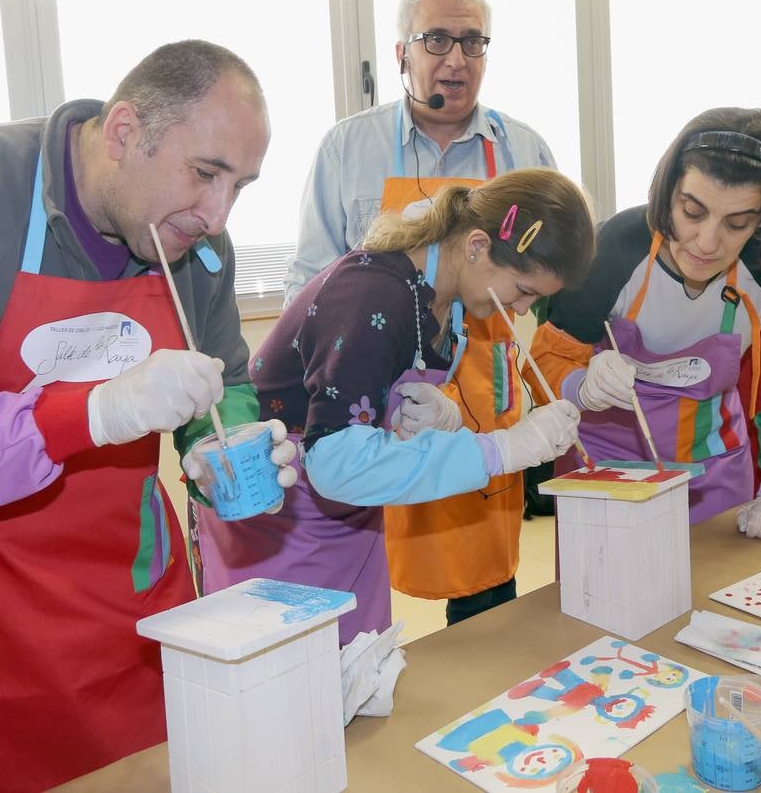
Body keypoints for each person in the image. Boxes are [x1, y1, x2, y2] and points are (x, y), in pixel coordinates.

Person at [0, 40, 296, 791]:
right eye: (206, 173)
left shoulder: (195, 248)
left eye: (240, 186)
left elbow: (222, 385)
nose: (217, 215)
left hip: (128, 616)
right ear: (122, 133)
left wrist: (230, 443)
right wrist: (88, 415)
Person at [196, 168, 596, 644]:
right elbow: (335, 463)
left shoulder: (448, 297)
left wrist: (436, 415)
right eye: (524, 290)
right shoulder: (373, 295)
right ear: (476, 248)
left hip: (351, 516)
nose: (524, 310)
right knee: (297, 688)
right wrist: (499, 452)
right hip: (280, 514)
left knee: (359, 672)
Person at [279, 0, 557, 625]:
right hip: (368, 394)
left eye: (472, 42)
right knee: (357, 566)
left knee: (483, 600)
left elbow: (540, 286)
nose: (455, 59)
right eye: (435, 39)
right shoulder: (348, 148)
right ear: (402, 51)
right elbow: (313, 280)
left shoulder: (522, 151)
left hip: (481, 395)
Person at [530, 107, 761, 540]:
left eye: (737, 223)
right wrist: (581, 386)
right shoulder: (614, 249)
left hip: (715, 475)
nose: (707, 243)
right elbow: (547, 357)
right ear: (669, 192)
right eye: (692, 211)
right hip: (603, 469)